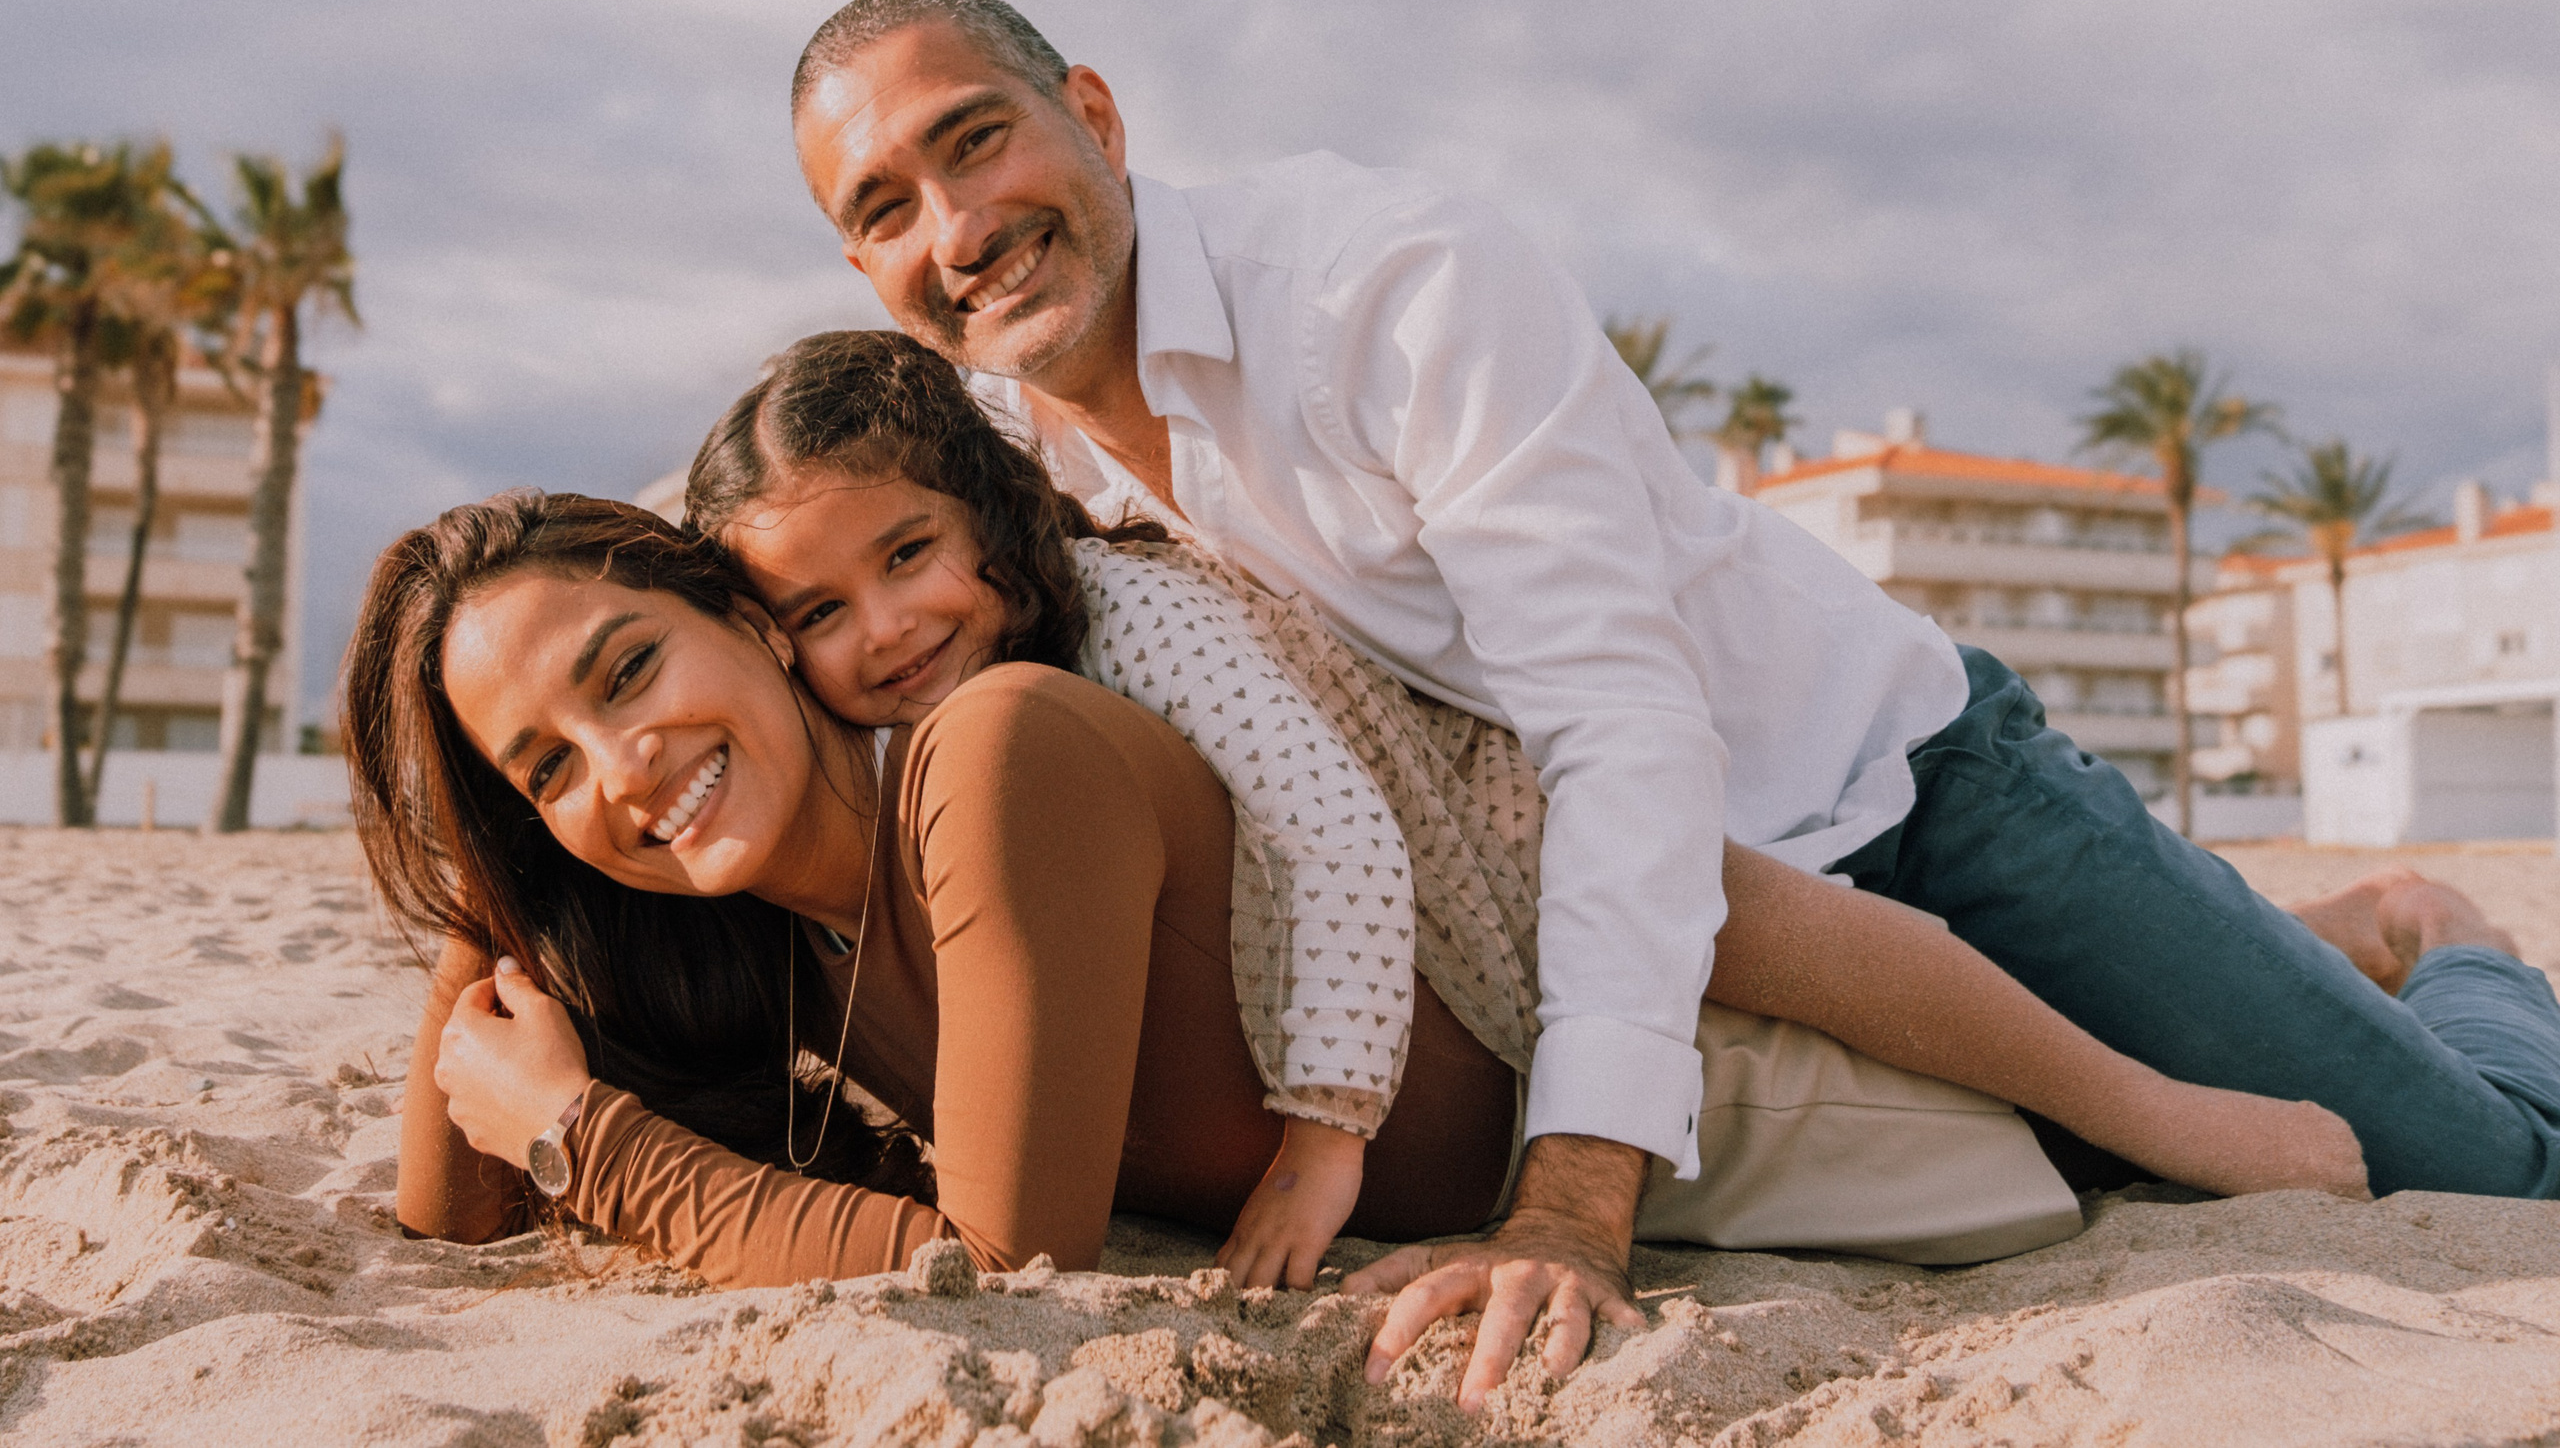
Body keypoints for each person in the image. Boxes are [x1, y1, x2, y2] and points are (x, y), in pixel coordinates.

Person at [785, 0, 2560, 1408]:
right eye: (884, 207)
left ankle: (2434, 937)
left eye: (978, 142)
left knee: (2475, 1174)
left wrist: (1575, 1202)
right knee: (2140, 1122)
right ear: (861, 268)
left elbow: (1618, 727)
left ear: (1090, 115)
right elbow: (768, 559)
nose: (957, 225)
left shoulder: (1383, 293)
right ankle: (2303, 939)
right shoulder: (998, 469)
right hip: (1710, 949)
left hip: (1904, 798)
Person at [674, 327, 2363, 1285]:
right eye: (818, 614)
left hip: (1453, 827)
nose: (881, 630)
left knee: (1756, 932)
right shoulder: (919, 729)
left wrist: (1322, 1145)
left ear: (982, 515)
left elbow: (1329, 828)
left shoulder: (1131, 619)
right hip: (1363, 900)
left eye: (904, 558)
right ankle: (2345, 938)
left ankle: (2174, 1118)